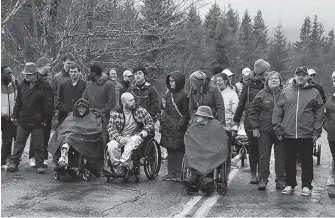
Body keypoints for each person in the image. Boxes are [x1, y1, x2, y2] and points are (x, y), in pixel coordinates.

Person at [273, 66, 324, 196]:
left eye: (303, 75)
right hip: (288, 132)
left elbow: (319, 112)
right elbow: (278, 111)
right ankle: (290, 184)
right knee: (289, 160)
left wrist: (317, 130)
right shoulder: (286, 92)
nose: (300, 77)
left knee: (307, 161)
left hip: (306, 133)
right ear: (294, 76)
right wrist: (277, 129)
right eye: (298, 75)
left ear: (307, 77)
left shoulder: (314, 92)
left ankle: (306, 186)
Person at [7, 63, 53, 174]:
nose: (26, 77)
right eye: (25, 74)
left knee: (38, 144)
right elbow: (18, 101)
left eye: (28, 75)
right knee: (19, 142)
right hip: (23, 119)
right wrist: (15, 115)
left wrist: (46, 119)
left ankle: (40, 164)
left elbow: (49, 104)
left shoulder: (45, 85)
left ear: (35, 74)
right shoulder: (22, 85)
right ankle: (14, 162)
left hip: (39, 120)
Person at [233, 59, 270, 184]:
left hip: (266, 120)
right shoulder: (248, 84)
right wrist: (236, 121)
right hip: (251, 120)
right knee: (253, 148)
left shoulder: (269, 83)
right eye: (266, 70)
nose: (268, 72)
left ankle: (263, 175)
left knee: (263, 149)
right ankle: (253, 173)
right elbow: (242, 103)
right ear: (261, 71)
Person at [248, 71, 286, 191]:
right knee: (264, 156)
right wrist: (255, 127)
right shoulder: (261, 94)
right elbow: (252, 111)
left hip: (280, 130)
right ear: (267, 82)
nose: (273, 80)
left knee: (281, 156)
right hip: (264, 130)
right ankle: (263, 179)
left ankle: (280, 179)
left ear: (280, 81)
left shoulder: (286, 94)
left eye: (276, 78)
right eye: (271, 79)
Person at [49, 98, 103, 175]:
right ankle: (63, 158)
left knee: (68, 137)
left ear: (87, 108)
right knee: (66, 137)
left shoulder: (91, 117)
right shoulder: (71, 116)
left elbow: (94, 130)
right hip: (69, 137)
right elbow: (62, 128)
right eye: (79, 107)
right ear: (76, 108)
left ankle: (64, 158)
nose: (81, 109)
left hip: (83, 139)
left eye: (83, 107)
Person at [106, 92, 154, 177]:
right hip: (122, 136)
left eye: (133, 100)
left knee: (132, 141)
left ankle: (124, 164)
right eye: (130, 101)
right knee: (111, 145)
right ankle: (118, 167)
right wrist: (119, 138)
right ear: (124, 103)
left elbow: (150, 122)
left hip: (136, 135)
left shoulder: (140, 110)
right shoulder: (116, 113)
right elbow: (111, 128)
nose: (134, 102)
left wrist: (145, 131)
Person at [183, 106, 229, 192]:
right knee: (191, 155)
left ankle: (206, 177)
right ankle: (194, 177)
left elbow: (222, 141)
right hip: (196, 150)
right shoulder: (193, 126)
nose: (197, 118)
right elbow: (188, 138)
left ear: (205, 117)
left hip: (211, 150)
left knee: (208, 157)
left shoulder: (216, 126)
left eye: (199, 116)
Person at [160, 71, 190, 181]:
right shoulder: (169, 94)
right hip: (169, 126)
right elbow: (166, 109)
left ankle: (179, 173)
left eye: (173, 81)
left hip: (178, 126)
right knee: (170, 150)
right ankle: (171, 172)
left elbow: (186, 113)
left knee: (179, 150)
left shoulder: (185, 95)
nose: (171, 83)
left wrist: (181, 124)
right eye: (170, 81)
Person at [29, 57, 54, 168]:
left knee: (46, 134)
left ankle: (43, 157)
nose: (50, 67)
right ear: (42, 65)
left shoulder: (50, 78)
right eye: (48, 64)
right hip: (36, 112)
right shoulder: (33, 77)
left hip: (47, 111)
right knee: (35, 136)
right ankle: (32, 157)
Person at [216, 73, 239, 171]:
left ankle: (226, 169)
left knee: (226, 149)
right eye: (216, 81)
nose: (218, 82)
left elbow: (236, 111)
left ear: (225, 81)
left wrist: (235, 127)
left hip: (227, 127)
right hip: (215, 126)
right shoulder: (215, 92)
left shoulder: (232, 94)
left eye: (220, 80)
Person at [1, 66, 17, 169]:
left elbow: (17, 99)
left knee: (12, 139)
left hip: (11, 117)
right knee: (6, 140)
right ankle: (3, 160)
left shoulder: (14, 84)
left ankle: (8, 160)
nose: (10, 75)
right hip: (3, 117)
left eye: (11, 73)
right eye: (7, 73)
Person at [324, 71, 335, 190]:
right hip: (332, 133)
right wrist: (326, 126)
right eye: (334, 80)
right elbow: (325, 114)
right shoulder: (330, 97)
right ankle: (332, 175)